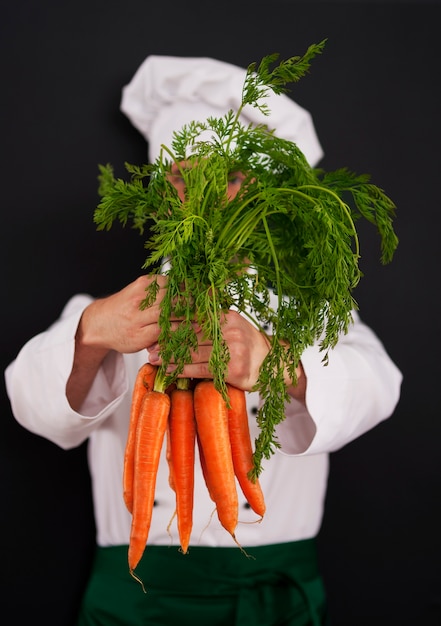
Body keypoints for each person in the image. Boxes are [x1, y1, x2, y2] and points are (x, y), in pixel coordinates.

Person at [5, 55, 402, 626]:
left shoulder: (310, 316)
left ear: (260, 189)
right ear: (160, 188)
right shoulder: (110, 311)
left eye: (227, 176)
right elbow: (29, 403)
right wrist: (92, 332)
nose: (200, 196)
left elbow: (379, 382)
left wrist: (277, 360)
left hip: (271, 596)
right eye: (179, 175)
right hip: (134, 598)